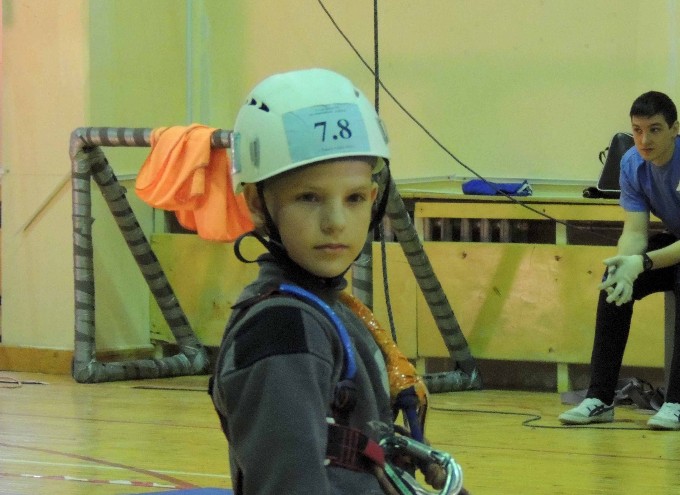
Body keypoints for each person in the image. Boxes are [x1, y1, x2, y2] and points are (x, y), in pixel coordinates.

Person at [209, 68, 465, 494]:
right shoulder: (282, 330)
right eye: (309, 197)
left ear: (374, 198)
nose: (336, 222)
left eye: (354, 198)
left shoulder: (324, 310)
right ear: (256, 202)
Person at [559, 91, 680, 430]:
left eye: (654, 130)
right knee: (613, 280)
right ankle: (600, 398)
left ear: (675, 129)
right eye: (637, 130)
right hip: (674, 241)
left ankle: (676, 402)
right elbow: (636, 231)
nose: (644, 140)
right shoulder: (631, 163)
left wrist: (644, 263)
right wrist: (626, 265)